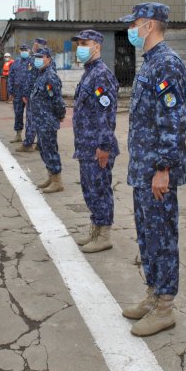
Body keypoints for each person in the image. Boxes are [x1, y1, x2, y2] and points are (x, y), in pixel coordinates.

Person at [119, 2, 186, 336]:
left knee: (162, 237)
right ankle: (153, 294)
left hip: (157, 170)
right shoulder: (149, 63)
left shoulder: (166, 63)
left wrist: (164, 168)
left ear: (149, 25)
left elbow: (173, 120)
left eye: (133, 24)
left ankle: (165, 307)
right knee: (148, 236)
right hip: (144, 168)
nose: (130, 29)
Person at [71, 29, 119, 253]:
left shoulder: (101, 74)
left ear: (97, 46)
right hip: (86, 145)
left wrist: (104, 146)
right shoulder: (89, 72)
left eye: (85, 43)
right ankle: (96, 229)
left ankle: (105, 235)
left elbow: (107, 114)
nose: (80, 47)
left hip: (98, 147)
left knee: (99, 190)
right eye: (78, 43)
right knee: (90, 191)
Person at [29, 47, 66, 193]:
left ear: (49, 59)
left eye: (41, 57)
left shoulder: (50, 76)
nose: (38, 59)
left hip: (47, 121)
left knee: (50, 150)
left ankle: (57, 181)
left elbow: (57, 100)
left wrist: (60, 115)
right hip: (39, 120)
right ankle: (51, 176)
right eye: (36, 57)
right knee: (44, 150)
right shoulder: (41, 74)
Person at [16, 39, 47, 152]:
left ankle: (28, 144)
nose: (33, 47)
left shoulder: (35, 59)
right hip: (41, 94)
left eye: (35, 45)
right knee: (41, 119)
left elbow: (29, 79)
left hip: (33, 95)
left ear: (39, 46)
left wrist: (25, 94)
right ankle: (40, 143)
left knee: (31, 119)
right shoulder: (48, 59)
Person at [8, 44, 30, 143]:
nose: (24, 51)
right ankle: (18, 135)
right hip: (18, 93)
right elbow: (11, 77)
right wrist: (11, 91)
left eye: (25, 49)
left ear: (29, 51)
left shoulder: (33, 62)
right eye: (22, 50)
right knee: (18, 113)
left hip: (29, 94)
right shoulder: (15, 63)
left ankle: (30, 137)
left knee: (31, 116)